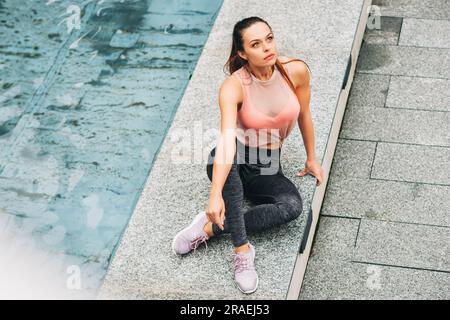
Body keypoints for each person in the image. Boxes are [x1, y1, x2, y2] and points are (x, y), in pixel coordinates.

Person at [172, 16, 325, 294]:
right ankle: (242, 251)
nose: (267, 47)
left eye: (269, 38)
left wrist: (311, 157)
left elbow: (304, 113)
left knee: (291, 208)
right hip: (231, 158)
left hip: (267, 166)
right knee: (226, 156)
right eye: (256, 44)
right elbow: (227, 142)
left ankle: (208, 229)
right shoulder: (234, 86)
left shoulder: (296, 71)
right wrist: (214, 194)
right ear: (242, 53)